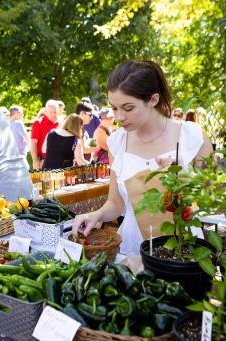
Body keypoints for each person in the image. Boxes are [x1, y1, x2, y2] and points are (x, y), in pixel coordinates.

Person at [72, 60, 213, 256]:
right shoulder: (118, 142)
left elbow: (216, 201)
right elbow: (116, 203)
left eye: (128, 108)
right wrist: (96, 215)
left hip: (183, 251)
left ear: (153, 100)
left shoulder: (192, 137)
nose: (119, 117)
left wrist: (186, 179)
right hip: (132, 249)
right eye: (114, 108)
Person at [30, 99, 58, 169]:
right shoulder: (38, 123)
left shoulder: (61, 122)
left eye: (55, 112)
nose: (53, 114)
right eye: (51, 112)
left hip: (58, 160)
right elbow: (33, 143)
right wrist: (35, 160)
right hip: (43, 161)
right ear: (46, 112)